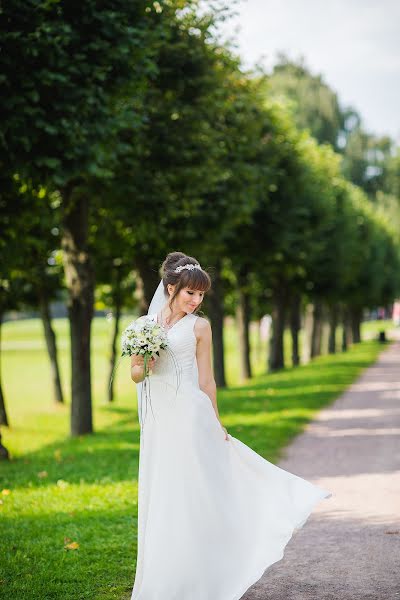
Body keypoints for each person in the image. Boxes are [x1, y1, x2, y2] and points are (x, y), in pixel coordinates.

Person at [130, 251, 331, 600]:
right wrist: (146, 361)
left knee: (199, 489)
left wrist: (216, 421)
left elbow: (207, 382)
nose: (196, 301)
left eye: (201, 295)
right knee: (165, 491)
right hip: (160, 422)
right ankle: (170, 573)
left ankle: (214, 565)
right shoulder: (143, 327)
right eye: (190, 293)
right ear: (171, 287)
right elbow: (135, 375)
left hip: (192, 416)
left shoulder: (200, 327)